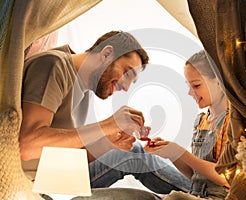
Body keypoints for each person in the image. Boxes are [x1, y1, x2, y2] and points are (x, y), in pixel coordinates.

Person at [20, 30, 191, 195]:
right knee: (136, 154)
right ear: (107, 53)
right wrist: (106, 125)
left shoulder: (83, 89)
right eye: (127, 73)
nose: (125, 87)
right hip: (40, 180)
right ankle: (201, 195)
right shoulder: (54, 65)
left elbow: (67, 153)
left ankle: (196, 193)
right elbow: (28, 146)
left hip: (56, 173)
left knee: (131, 151)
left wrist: (109, 143)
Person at [145, 51, 230, 199]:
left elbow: (225, 177)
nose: (190, 92)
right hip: (195, 195)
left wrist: (181, 152)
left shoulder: (231, 122)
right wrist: (171, 153)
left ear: (218, 81)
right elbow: (194, 174)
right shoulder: (201, 121)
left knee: (176, 198)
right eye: (189, 85)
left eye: (196, 85)